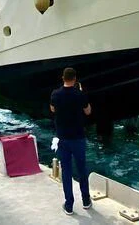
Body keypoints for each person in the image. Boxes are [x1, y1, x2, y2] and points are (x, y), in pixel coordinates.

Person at [50, 67, 92, 216]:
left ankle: (69, 205)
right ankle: (86, 201)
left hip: (63, 138)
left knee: (66, 172)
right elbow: (88, 111)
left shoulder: (55, 94)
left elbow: (53, 109)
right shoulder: (80, 94)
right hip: (78, 138)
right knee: (82, 170)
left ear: (63, 78)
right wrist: (80, 93)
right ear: (75, 79)